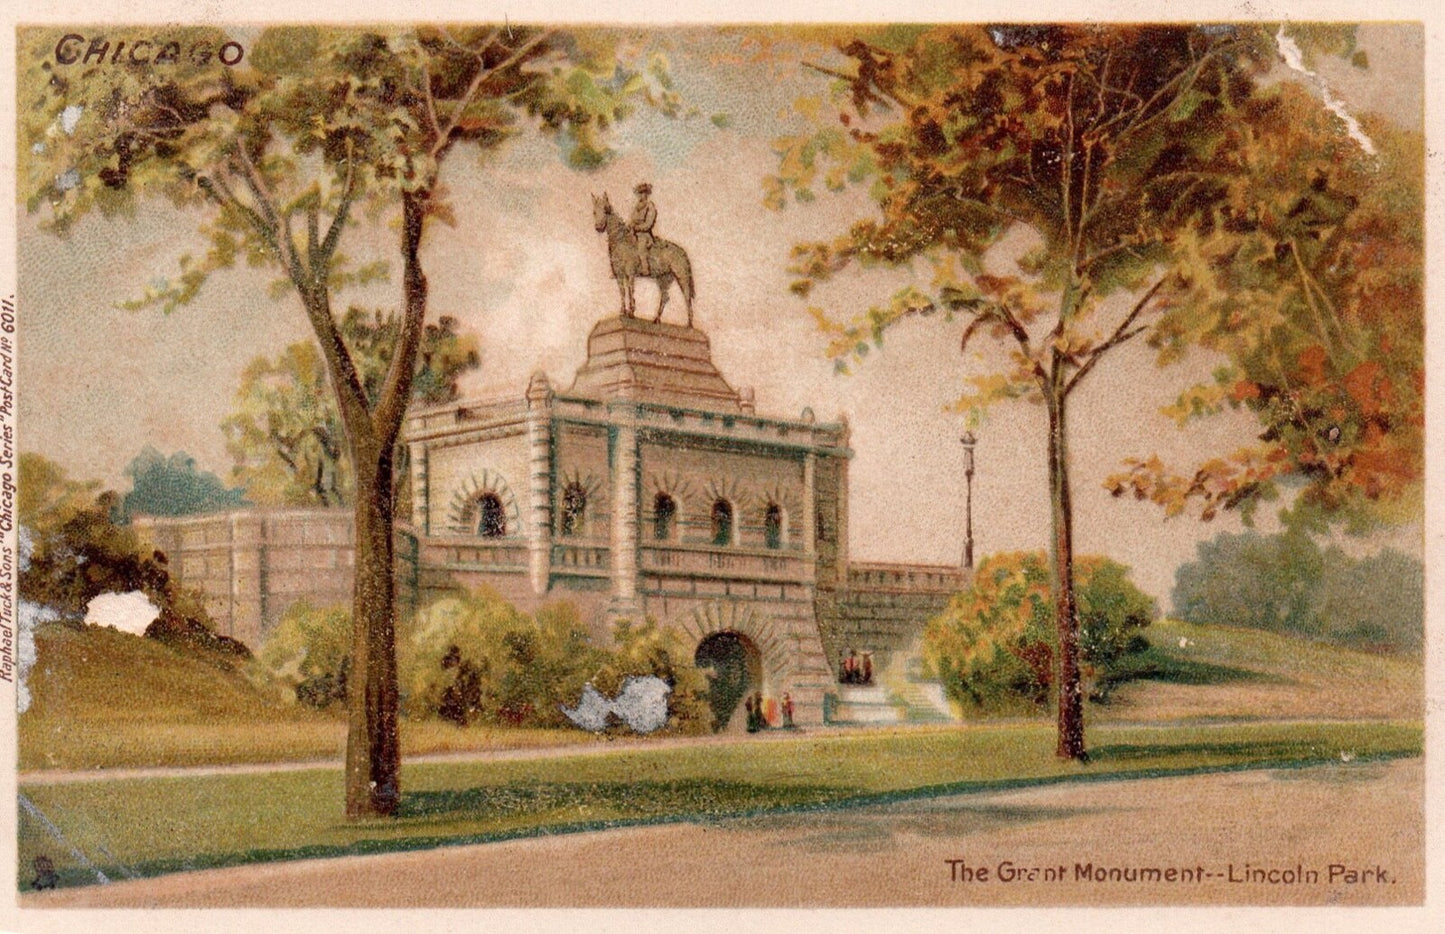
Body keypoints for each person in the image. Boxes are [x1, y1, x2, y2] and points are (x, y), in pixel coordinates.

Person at [630, 182, 657, 276]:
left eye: (643, 193)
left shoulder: (650, 206)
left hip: (644, 234)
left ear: (647, 194)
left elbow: (649, 223)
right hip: (634, 232)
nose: (641, 195)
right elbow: (633, 218)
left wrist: (638, 227)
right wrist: (631, 225)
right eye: (640, 193)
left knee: (641, 248)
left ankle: (645, 269)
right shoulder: (637, 206)